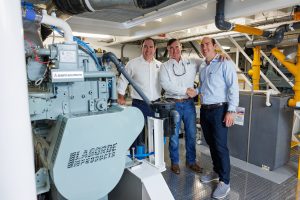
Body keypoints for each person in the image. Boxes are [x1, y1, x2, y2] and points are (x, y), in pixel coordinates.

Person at [195, 37, 239, 199]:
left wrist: (231, 110)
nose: (205, 47)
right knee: (211, 144)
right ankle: (216, 171)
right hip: (205, 111)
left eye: (207, 44)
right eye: (202, 45)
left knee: (220, 146)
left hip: (220, 109)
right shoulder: (202, 66)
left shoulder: (224, 63)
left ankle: (225, 182)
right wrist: (197, 91)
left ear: (214, 46)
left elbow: (233, 87)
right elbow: (204, 86)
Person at [159, 38, 202, 175]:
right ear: (168, 50)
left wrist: (220, 56)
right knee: (174, 136)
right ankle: (175, 163)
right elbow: (166, 85)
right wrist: (186, 91)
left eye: (176, 47)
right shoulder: (164, 66)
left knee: (191, 133)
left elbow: (208, 62)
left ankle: (191, 162)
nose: (174, 50)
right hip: (173, 104)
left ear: (181, 47)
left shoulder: (192, 62)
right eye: (171, 48)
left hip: (189, 104)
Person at [117, 38, 161, 148]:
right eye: (145, 46)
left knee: (156, 133)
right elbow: (123, 80)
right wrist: (120, 97)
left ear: (155, 49)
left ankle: (155, 158)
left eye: (151, 47)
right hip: (139, 104)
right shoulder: (133, 64)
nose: (148, 49)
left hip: (156, 105)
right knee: (137, 133)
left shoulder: (160, 65)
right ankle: (137, 158)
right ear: (141, 48)